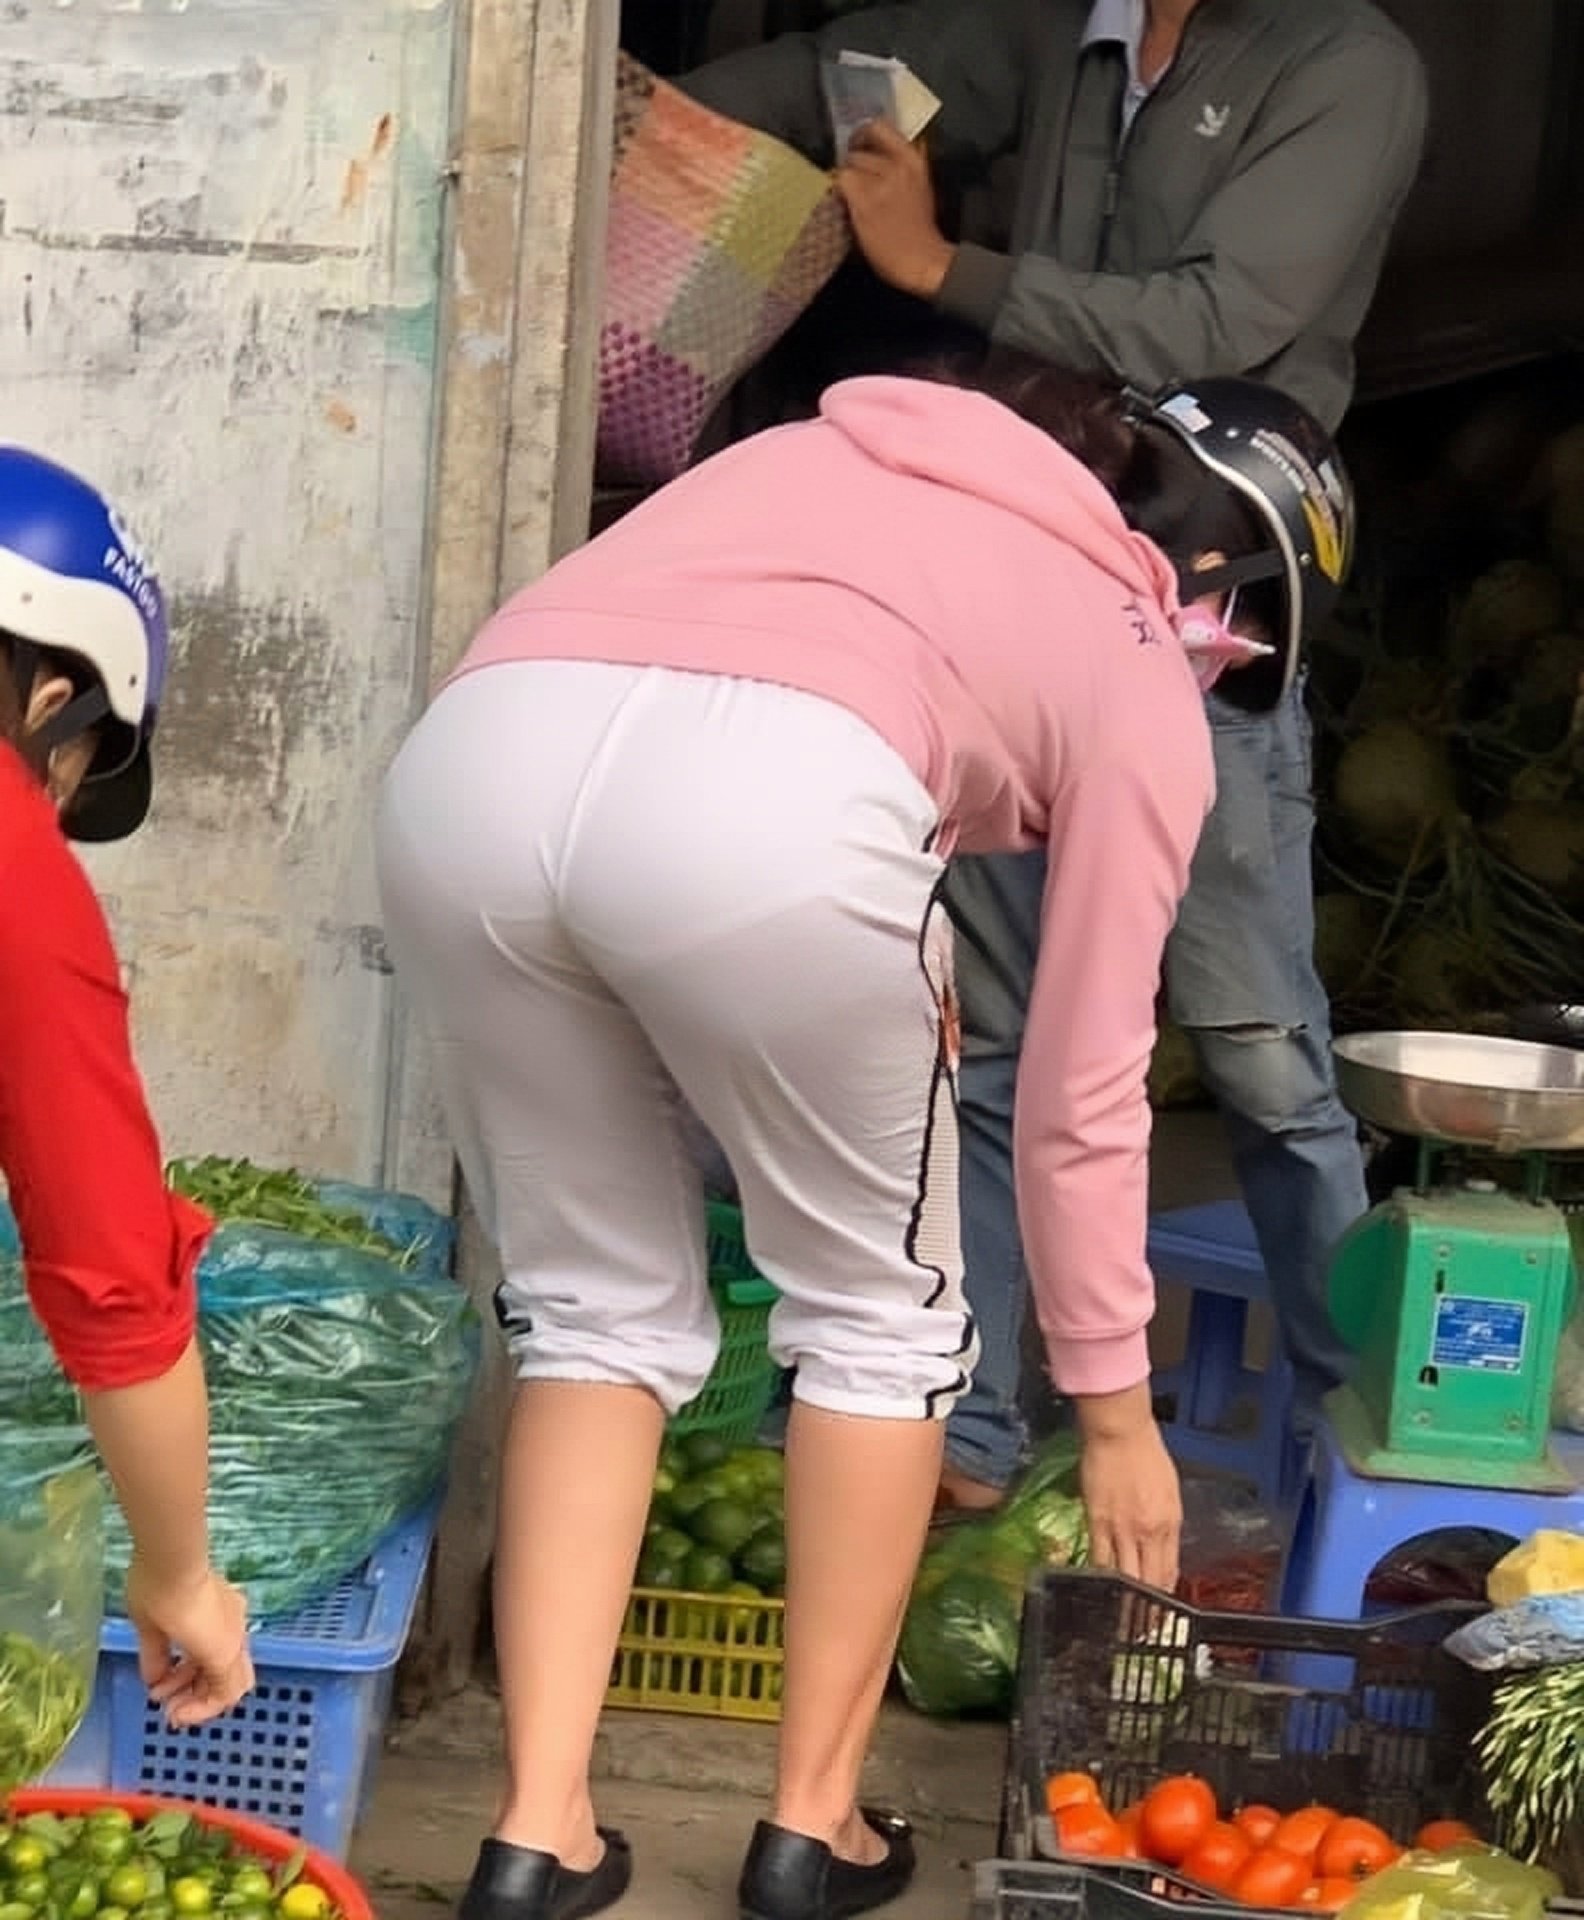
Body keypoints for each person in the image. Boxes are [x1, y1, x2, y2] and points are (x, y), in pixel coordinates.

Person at [375, 354, 1355, 1920]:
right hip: (775, 805)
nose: (1215, 670)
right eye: (1234, 640)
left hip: (469, 776)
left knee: (591, 1312)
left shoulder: (816, 457)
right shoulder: (1128, 645)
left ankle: (534, 1835)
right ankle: (809, 1829)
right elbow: (1085, 1087)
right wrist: (1116, 1414)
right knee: (883, 1323)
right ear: (1214, 567)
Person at [681, 0, 1429, 1507]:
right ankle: (970, 1426)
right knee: (997, 1036)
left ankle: (1358, 1431)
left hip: (1202, 605)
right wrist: (645, 110)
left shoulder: (1345, 66)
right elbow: (865, 61)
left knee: (1259, 1051)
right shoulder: (1066, 30)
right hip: (1018, 585)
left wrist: (938, 268)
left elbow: (1213, 324)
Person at [0, 446, 254, 1728]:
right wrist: (179, 1570)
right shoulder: (14, 872)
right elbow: (110, 1277)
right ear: (54, 697)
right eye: (76, 763)